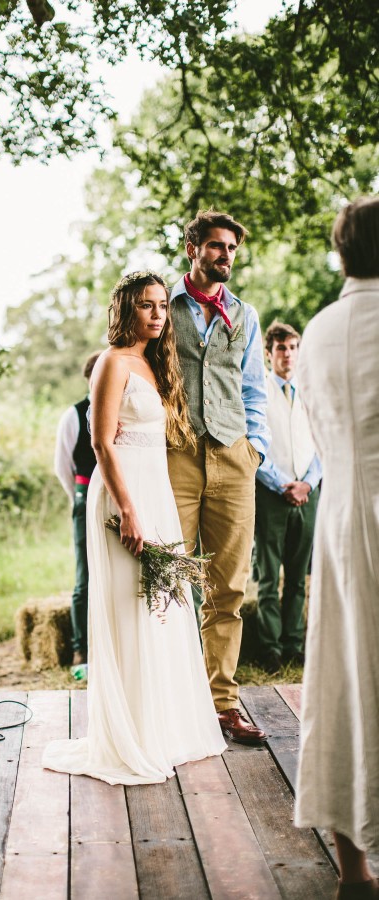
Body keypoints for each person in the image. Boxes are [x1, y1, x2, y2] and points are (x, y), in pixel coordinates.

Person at [43, 271, 226, 784]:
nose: (157, 315)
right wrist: (128, 509)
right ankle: (132, 734)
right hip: (122, 494)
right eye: (146, 305)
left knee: (162, 609)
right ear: (125, 309)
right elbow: (102, 443)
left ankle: (163, 727)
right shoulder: (111, 363)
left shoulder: (150, 362)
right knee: (130, 605)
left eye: (163, 306)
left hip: (156, 490)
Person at [295, 196, 379, 899]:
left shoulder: (317, 331)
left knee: (344, 680)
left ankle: (354, 870)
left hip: (341, 519)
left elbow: (321, 437)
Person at [168, 209, 271, 746]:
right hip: (177, 455)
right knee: (169, 583)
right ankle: (169, 702)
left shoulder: (245, 315)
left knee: (228, 587)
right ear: (193, 249)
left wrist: (256, 449)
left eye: (230, 248)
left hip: (234, 457)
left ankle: (223, 703)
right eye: (215, 246)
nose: (224, 256)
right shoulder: (162, 305)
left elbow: (254, 387)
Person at [254, 321, 321, 674]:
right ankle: (270, 648)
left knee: (298, 576)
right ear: (269, 353)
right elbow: (255, 446)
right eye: (281, 348)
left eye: (293, 348)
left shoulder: (310, 391)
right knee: (268, 575)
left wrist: (308, 483)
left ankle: (294, 644)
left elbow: (323, 439)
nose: (288, 354)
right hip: (271, 492)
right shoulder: (259, 391)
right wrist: (282, 484)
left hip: (308, 492)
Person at [54, 351, 100, 677]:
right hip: (85, 497)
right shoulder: (74, 415)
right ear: (89, 377)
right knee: (84, 577)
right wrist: (79, 499)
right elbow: (62, 467)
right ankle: (80, 649)